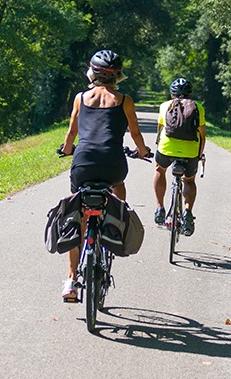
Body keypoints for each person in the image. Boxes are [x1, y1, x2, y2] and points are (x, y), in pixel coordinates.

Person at [58, 49, 150, 301]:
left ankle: (71, 279)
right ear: (118, 76)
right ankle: (113, 225)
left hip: (84, 163)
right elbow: (136, 134)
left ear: (92, 72)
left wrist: (66, 150)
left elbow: (71, 133)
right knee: (118, 191)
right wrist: (142, 152)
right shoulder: (124, 100)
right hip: (113, 164)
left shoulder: (80, 98)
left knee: (76, 213)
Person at [152, 77, 206, 237]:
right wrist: (198, 154)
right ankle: (188, 212)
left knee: (159, 170)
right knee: (189, 180)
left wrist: (159, 148)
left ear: (171, 94)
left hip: (166, 150)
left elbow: (160, 130)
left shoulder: (164, 106)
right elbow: (202, 135)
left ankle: (160, 208)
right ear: (191, 94)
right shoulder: (199, 107)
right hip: (190, 153)